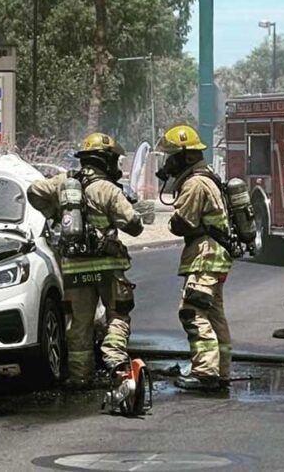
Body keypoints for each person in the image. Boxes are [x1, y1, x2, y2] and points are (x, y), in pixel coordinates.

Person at [27, 133, 144, 388]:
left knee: (79, 325)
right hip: (108, 268)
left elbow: (33, 191)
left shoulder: (63, 183)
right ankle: (115, 363)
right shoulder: (108, 189)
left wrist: (55, 215)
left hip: (75, 269)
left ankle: (80, 378)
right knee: (118, 316)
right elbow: (134, 226)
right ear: (106, 161)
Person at [155, 125, 233, 391]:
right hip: (215, 256)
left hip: (204, 256)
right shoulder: (207, 177)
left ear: (186, 157)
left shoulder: (194, 183)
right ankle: (221, 371)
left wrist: (173, 221)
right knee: (213, 315)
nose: (168, 163)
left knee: (193, 311)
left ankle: (205, 372)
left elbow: (182, 223)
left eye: (172, 156)